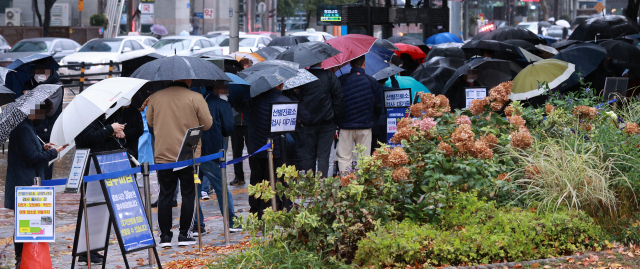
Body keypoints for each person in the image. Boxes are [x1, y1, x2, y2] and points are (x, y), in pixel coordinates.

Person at [146, 79, 213, 248]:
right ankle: (185, 234)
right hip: (189, 154)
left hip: (163, 155)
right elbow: (208, 124)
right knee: (189, 194)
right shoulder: (196, 97)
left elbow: (151, 123)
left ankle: (165, 237)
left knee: (165, 195)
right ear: (188, 80)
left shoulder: (155, 97)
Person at [5, 99, 66, 268]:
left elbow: (30, 151)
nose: (43, 118)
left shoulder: (27, 126)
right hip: (24, 183)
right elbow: (31, 157)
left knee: (25, 222)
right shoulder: (23, 128)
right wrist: (52, 153)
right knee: (24, 223)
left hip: (25, 181)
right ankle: (21, 258)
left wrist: (43, 148)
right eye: (42, 112)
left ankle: (25, 256)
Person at [192, 84, 243, 235]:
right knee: (221, 187)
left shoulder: (193, 101)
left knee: (194, 189)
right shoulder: (221, 104)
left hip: (193, 151)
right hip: (212, 152)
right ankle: (231, 221)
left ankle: (197, 225)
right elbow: (228, 128)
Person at [236, 83, 292, 219]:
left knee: (256, 178)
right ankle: (271, 208)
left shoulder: (256, 100)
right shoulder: (285, 101)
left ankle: (255, 210)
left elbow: (240, 108)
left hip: (256, 147)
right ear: (280, 86)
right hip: (277, 148)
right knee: (273, 178)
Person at [337, 55, 383, 173]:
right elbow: (378, 105)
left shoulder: (342, 79)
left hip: (346, 125)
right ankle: (360, 184)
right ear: (365, 63)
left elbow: (337, 102)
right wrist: (372, 120)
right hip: (365, 126)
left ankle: (346, 183)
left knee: (344, 157)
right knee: (363, 158)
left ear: (351, 64)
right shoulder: (371, 81)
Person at [298, 62, 343, 177]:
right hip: (327, 122)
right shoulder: (329, 76)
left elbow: (298, 98)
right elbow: (338, 98)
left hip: (308, 122)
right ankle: (322, 187)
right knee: (324, 155)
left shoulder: (302, 77)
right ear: (321, 61)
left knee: (310, 155)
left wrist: (301, 117)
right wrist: (337, 118)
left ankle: (310, 185)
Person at [23, 63, 63, 180]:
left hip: (46, 134)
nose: (38, 74)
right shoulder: (28, 83)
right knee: (31, 170)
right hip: (30, 131)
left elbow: (49, 111)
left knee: (45, 172)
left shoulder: (56, 86)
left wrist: (31, 97)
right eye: (36, 70)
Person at [230, 110, 249, 186]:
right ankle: (239, 177)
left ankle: (255, 175)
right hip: (236, 123)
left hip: (248, 122)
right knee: (236, 151)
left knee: (252, 151)